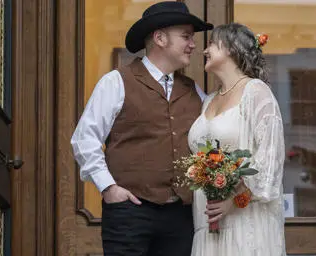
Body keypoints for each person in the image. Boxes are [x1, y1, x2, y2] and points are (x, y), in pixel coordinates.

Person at [71, 2, 213, 256]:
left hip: (181, 217)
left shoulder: (194, 91)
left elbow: (214, 138)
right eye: (186, 36)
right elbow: (85, 139)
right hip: (130, 213)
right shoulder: (116, 82)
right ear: (159, 38)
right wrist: (109, 188)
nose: (193, 44)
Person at [188, 23, 286, 255]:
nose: (204, 49)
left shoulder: (256, 92)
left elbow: (270, 164)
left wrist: (232, 201)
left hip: (245, 225)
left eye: (212, 43)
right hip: (208, 226)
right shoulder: (208, 101)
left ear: (231, 48)